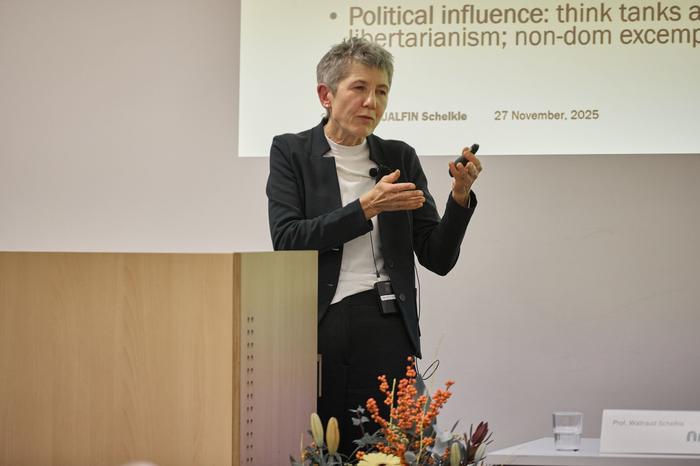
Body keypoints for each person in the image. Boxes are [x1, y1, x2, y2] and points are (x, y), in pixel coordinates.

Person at [266, 37, 482, 456]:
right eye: (360, 88)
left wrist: (459, 198)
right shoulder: (292, 152)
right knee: (331, 453)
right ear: (326, 95)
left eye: (382, 91)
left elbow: (437, 257)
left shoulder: (398, 156)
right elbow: (288, 240)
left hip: (388, 326)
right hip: (321, 329)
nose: (372, 102)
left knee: (394, 452)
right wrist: (366, 207)